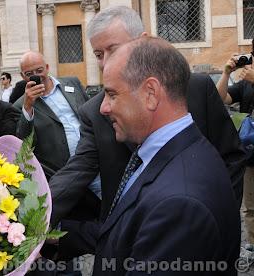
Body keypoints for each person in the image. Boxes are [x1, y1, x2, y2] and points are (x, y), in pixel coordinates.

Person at [50, 5, 246, 229]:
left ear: (142, 41)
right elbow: (76, 173)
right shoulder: (95, 112)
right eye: (98, 54)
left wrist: (219, 218)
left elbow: (231, 158)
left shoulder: (197, 89)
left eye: (113, 50)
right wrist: (29, 219)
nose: (104, 62)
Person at [92, 36, 240, 276]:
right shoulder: (186, 149)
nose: (104, 108)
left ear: (151, 93)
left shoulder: (178, 205)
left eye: (111, 94)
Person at [13, 51, 89, 172]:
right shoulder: (20, 106)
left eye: (39, 70)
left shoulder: (72, 83)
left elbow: (89, 113)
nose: (36, 76)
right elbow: (25, 145)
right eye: (29, 74)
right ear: (22, 76)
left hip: (93, 159)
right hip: (63, 171)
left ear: (47, 68)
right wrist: (28, 107)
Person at [216, 49, 254, 252]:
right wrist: (226, 73)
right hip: (251, 152)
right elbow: (222, 98)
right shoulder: (245, 82)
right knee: (250, 207)